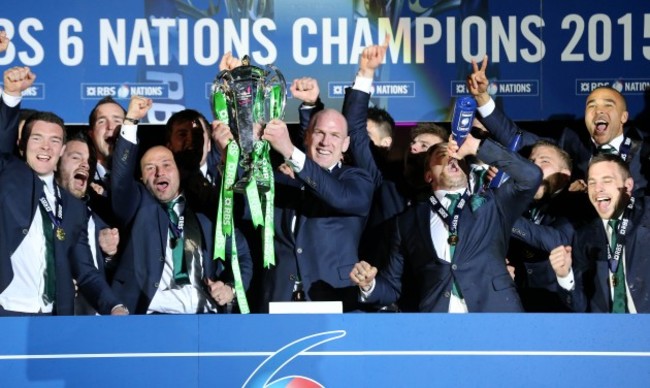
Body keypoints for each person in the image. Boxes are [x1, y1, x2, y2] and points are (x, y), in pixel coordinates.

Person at [350, 129, 542, 312]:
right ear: (428, 175)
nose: (452, 158)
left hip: (495, 313)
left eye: (458, 156)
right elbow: (392, 286)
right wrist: (369, 284)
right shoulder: (406, 222)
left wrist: (476, 147)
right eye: (442, 155)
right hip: (439, 322)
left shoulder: (493, 203)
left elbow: (532, 176)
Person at [0, 66, 126, 316]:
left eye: (54, 141)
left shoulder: (74, 208)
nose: (45, 146)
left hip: (52, 317)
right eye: (37, 138)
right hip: (6, 310)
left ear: (61, 151)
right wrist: (11, 95)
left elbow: (86, 270)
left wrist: (113, 305)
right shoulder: (8, 175)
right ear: (23, 146)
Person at [110, 96, 253, 314]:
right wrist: (130, 122)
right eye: (150, 167)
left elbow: (241, 254)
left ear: (177, 170)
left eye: (166, 164)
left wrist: (231, 288)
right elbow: (120, 181)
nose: (159, 172)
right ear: (140, 178)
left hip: (204, 315)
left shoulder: (204, 208)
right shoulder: (138, 206)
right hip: (154, 316)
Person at [467, 56, 650, 198]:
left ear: (624, 116)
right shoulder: (571, 141)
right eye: (592, 106)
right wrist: (482, 97)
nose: (599, 112)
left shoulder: (644, 148)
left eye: (608, 105)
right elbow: (516, 137)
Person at [260, 109, 374, 311]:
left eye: (334, 135)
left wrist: (289, 151)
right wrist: (232, 150)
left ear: (345, 144)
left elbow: (336, 196)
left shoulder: (356, 180)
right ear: (306, 136)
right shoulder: (281, 181)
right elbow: (245, 208)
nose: (325, 142)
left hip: (332, 296)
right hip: (279, 298)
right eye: (319, 132)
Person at [550, 154, 650, 313]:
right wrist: (564, 276)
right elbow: (581, 307)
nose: (598, 188)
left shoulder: (646, 211)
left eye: (607, 180)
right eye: (592, 182)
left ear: (628, 185)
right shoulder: (584, 237)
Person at [55, 132, 121, 314]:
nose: (85, 164)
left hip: (93, 320)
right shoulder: (38, 209)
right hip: (53, 317)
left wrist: (109, 254)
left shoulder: (98, 217)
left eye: (90, 161)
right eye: (76, 157)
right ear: (57, 162)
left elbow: (102, 271)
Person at [86, 96, 127, 224]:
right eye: (102, 121)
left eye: (117, 120)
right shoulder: (81, 178)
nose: (110, 127)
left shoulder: (144, 176)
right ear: (91, 133)